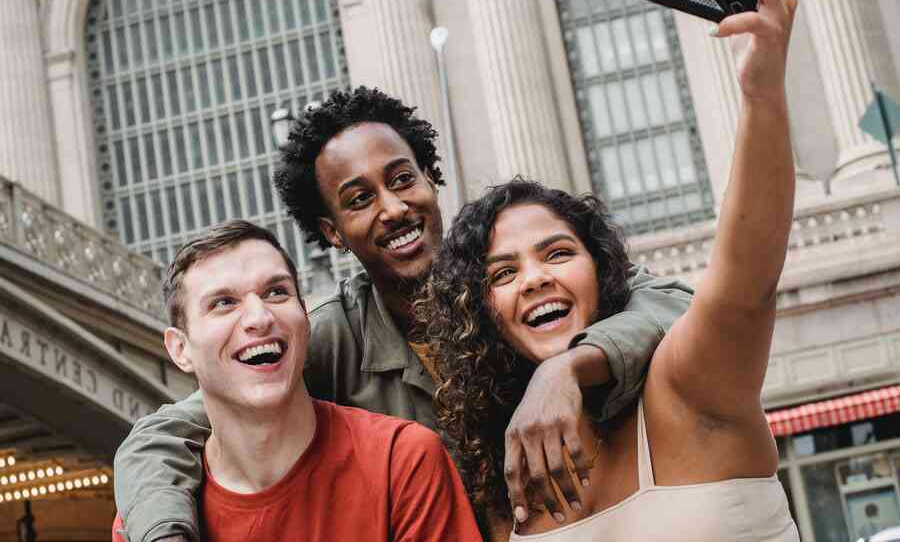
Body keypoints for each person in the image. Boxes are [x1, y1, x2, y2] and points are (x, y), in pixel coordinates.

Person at [114, 89, 693, 541]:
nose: (393, 209)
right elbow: (164, 435)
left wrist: (565, 369)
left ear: (431, 179)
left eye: (401, 180)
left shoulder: (514, 280)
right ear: (332, 233)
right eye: (360, 199)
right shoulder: (325, 337)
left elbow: (677, 306)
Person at [419, 0, 800, 539]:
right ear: (482, 314)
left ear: (605, 274)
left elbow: (747, 282)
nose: (535, 278)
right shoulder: (508, 477)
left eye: (558, 253)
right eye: (502, 273)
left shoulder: (688, 390)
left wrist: (762, 91)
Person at [112, 220, 481, 541]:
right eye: (223, 303)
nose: (259, 316)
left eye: (277, 292)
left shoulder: (402, 461)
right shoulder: (151, 517)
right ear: (180, 349)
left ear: (306, 319)